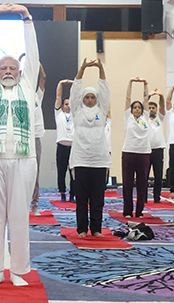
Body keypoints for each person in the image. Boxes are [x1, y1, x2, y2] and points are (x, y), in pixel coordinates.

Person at [0, 3, 39, 286]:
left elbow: (34, 54)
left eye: (13, 67)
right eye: (2, 67)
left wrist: (26, 17)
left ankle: (17, 271)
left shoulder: (27, 87)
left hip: (23, 160)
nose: (7, 71)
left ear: (20, 71)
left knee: (18, 218)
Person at [68, 59, 110, 237]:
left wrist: (101, 68)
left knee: (98, 199)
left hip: (100, 160)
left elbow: (105, 89)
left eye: (93, 97)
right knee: (82, 198)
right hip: (80, 159)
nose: (90, 100)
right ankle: (82, 229)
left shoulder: (102, 110)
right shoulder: (77, 110)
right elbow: (75, 90)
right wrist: (82, 69)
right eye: (87, 97)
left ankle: (97, 229)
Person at [122, 77, 151, 218]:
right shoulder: (127, 117)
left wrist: (145, 86)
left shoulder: (145, 117)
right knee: (127, 184)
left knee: (142, 184)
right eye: (135, 107)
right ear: (131, 110)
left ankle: (139, 211)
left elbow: (146, 99)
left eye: (139, 107)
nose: (137, 109)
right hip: (128, 153)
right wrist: (130, 83)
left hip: (143, 153)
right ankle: (127, 211)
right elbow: (128, 98)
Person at [30, 63, 47, 214]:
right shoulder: (20, 95)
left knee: (35, 173)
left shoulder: (37, 96)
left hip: (35, 138)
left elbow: (44, 77)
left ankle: (34, 205)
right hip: (23, 138)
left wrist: (38, 63)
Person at [54, 79, 74, 203]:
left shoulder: (75, 114)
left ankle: (73, 195)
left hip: (73, 147)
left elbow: (76, 97)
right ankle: (62, 194)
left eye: (69, 104)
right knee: (61, 172)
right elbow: (58, 97)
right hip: (61, 147)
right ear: (62, 106)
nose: (68, 106)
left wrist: (75, 85)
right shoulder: (59, 114)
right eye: (65, 104)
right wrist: (60, 84)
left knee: (74, 174)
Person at [146, 89, 166, 203]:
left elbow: (163, 106)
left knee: (158, 176)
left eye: (153, 108)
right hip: (147, 150)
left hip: (158, 150)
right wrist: (149, 96)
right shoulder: (144, 117)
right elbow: (143, 105)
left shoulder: (160, 117)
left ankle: (157, 198)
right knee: (145, 175)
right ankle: (143, 198)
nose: (151, 109)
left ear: (156, 109)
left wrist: (161, 96)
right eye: (149, 108)